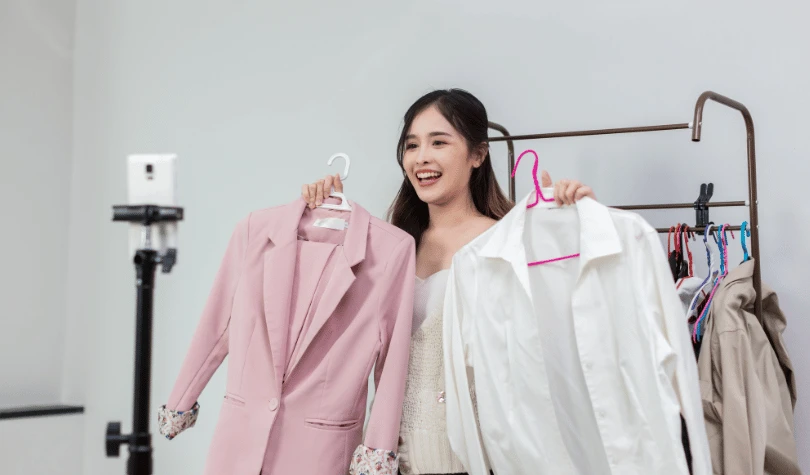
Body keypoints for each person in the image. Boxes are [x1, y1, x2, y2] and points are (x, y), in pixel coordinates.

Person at [302, 89, 595, 475]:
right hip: (386, 459)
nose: (421, 156)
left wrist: (571, 228)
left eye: (439, 142)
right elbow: (328, 333)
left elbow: (563, 343)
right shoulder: (390, 248)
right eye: (411, 145)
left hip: (476, 462)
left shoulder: (506, 243)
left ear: (478, 154)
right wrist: (321, 223)